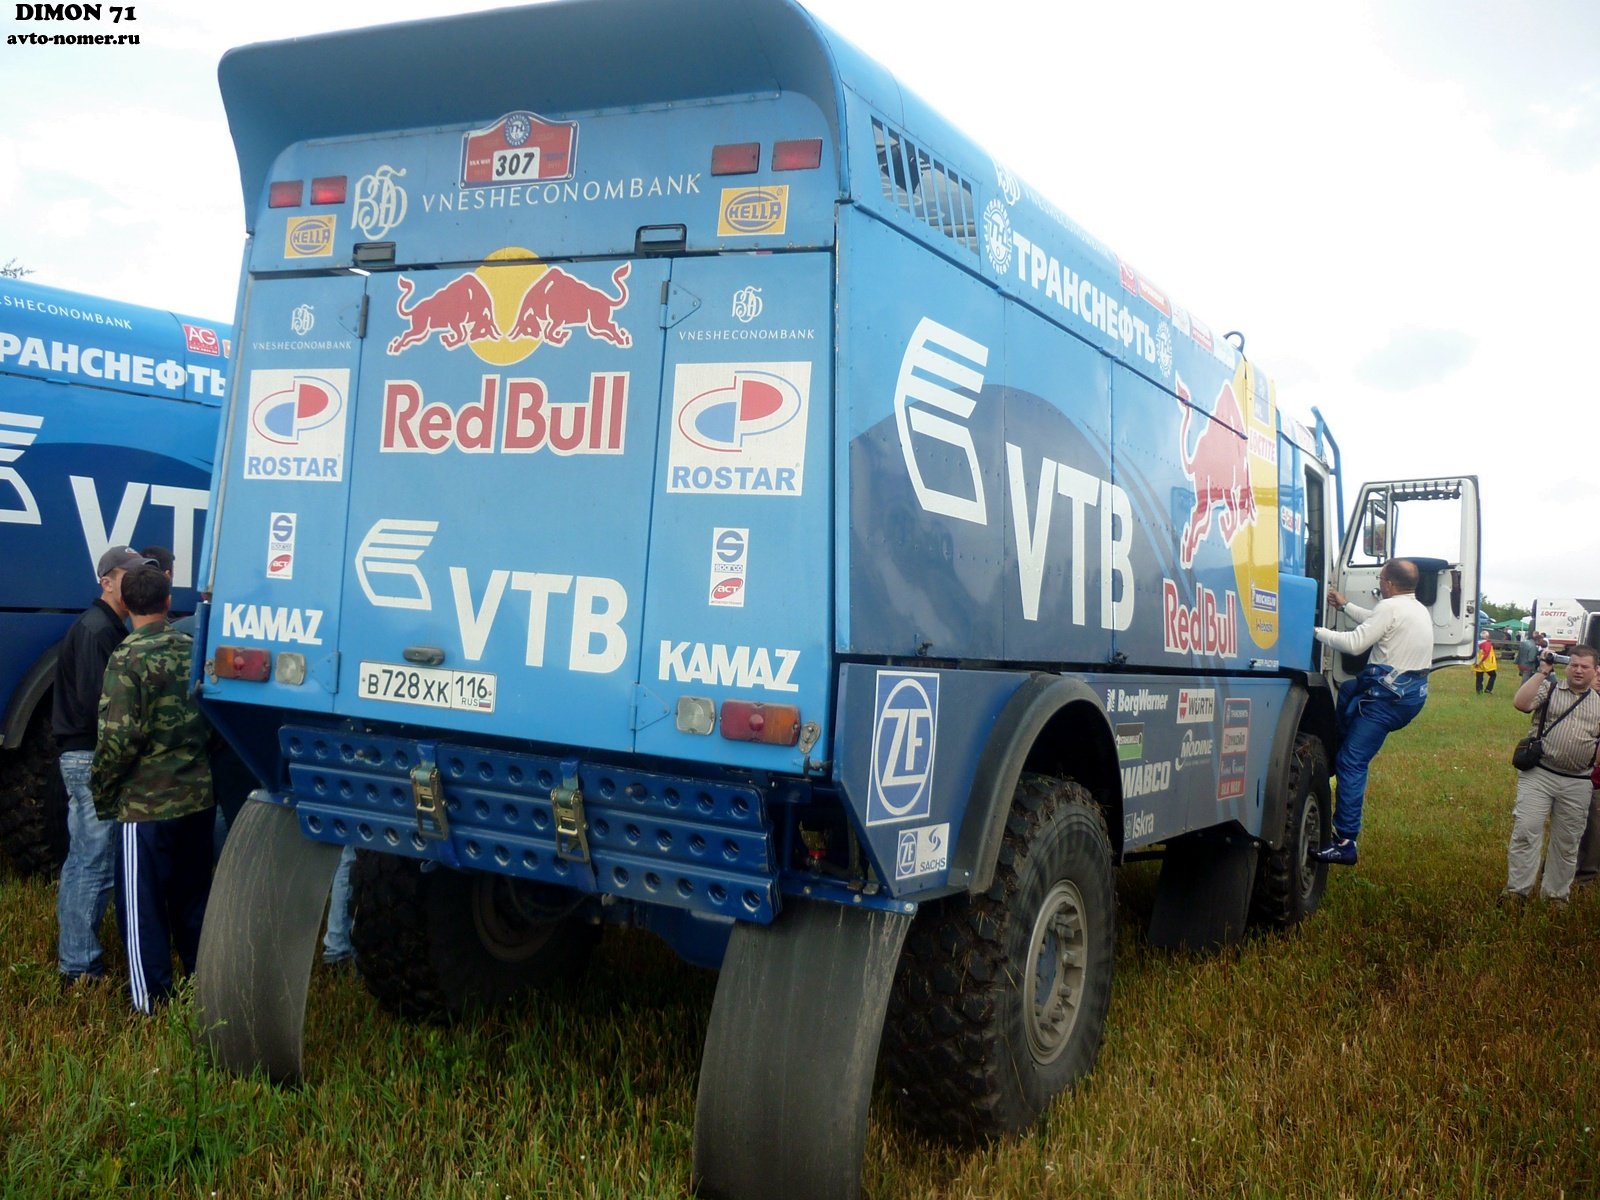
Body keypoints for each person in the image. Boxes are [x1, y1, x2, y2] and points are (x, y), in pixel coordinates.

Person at [90, 566, 216, 1012]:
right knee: (194, 900)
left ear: (126, 603)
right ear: (167, 603)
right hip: (197, 799)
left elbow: (118, 740)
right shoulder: (191, 649)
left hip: (144, 807)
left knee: (142, 909)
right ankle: (205, 989)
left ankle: (151, 1003)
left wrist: (102, 792)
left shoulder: (127, 657)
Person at [52, 545, 154, 988]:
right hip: (89, 755)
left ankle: (80, 956)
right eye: (124, 575)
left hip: (87, 754)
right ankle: (78, 969)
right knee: (91, 859)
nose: (131, 583)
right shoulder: (97, 631)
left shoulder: (108, 627)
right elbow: (104, 707)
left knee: (90, 857)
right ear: (105, 581)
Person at [1309, 558, 1433, 865]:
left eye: (1380, 579)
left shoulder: (1390, 608)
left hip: (1388, 700)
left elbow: (1354, 643)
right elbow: (1375, 621)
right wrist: (1345, 605)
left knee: (1352, 761)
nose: (1379, 583)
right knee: (1349, 689)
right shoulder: (1414, 608)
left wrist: (1314, 631)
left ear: (1388, 583)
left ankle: (1346, 841)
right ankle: (1336, 744)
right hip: (1410, 695)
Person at [1504, 644, 1600, 902]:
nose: (1578, 670)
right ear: (1567, 667)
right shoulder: (1550, 688)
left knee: (1567, 842)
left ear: (1596, 671)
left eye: (1585, 667)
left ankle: (1556, 896)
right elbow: (1521, 704)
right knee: (1526, 830)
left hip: (1578, 782)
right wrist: (1542, 671)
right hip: (1540, 774)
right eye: (1574, 665)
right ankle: (1517, 892)